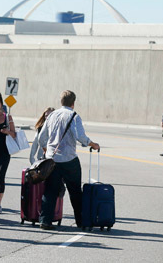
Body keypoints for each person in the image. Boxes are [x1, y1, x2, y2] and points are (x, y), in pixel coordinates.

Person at [37, 90, 100, 230]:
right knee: (75, 191)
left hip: (52, 159)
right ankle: (81, 221)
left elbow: (42, 137)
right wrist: (92, 144)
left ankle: (45, 221)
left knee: (50, 190)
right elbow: (81, 137)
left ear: (61, 102)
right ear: (73, 103)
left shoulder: (52, 115)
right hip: (68, 159)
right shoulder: (74, 116)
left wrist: (46, 150)